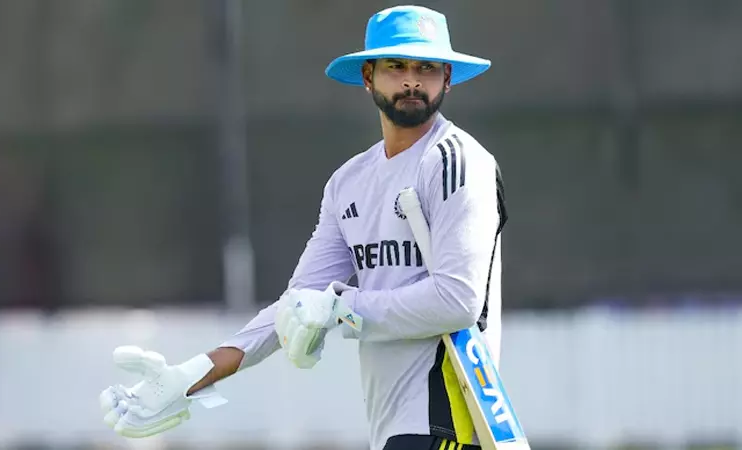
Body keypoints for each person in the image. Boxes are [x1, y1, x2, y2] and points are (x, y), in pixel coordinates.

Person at [99, 5, 508, 450]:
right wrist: (190, 376)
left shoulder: (455, 160)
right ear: (368, 76)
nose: (412, 81)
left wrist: (342, 307)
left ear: (447, 78)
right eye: (396, 66)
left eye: (426, 68)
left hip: (448, 423)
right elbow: (297, 303)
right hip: (394, 429)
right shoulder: (348, 182)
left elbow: (457, 301)